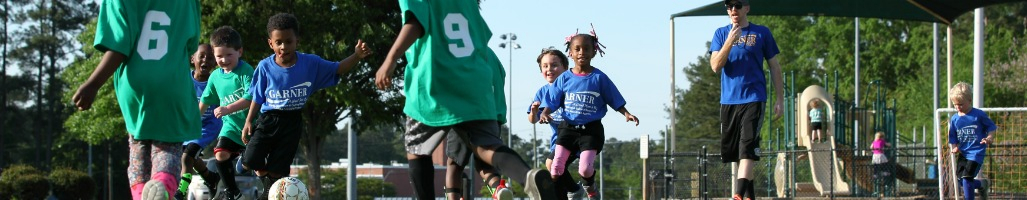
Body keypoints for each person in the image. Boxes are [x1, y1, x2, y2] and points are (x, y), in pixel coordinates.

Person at [373, 0, 556, 199]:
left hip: (435, 82)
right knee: (486, 147)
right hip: (475, 83)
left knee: (416, 149)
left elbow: (415, 23)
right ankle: (527, 176)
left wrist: (389, 60)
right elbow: (480, 38)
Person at [73, 0, 202, 198]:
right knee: (168, 146)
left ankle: (141, 193)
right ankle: (162, 185)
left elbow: (118, 45)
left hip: (134, 84)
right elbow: (191, 42)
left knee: (138, 146)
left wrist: (93, 84)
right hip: (172, 82)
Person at [240, 13, 371, 199]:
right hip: (269, 120)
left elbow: (337, 68)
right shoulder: (264, 67)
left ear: (297, 41)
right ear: (271, 43)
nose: (283, 47)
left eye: (288, 41)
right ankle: (254, 172)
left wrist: (356, 56)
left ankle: (268, 194)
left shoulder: (311, 63)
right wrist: (248, 121)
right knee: (250, 160)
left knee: (278, 173)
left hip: (292, 122)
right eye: (278, 42)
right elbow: (257, 97)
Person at [538, 25, 640, 200]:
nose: (581, 52)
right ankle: (567, 191)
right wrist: (544, 112)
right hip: (567, 129)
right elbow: (553, 100)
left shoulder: (599, 78)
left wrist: (626, 113)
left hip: (591, 131)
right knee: (555, 169)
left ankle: (590, 187)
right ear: (570, 53)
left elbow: (613, 97)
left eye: (587, 49)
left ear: (594, 52)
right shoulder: (564, 78)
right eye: (577, 49)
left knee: (584, 169)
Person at [708, 0, 785, 199]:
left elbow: (775, 67)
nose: (734, 9)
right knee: (735, 154)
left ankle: (738, 195)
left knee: (747, 148)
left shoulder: (762, 33)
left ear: (747, 8)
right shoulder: (720, 33)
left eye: (738, 5)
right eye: (729, 6)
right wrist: (730, 41)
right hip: (729, 101)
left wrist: (780, 99)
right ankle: (750, 196)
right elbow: (715, 66)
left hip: (754, 98)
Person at [199, 26, 256, 200]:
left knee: (257, 165)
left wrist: (227, 108)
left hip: (251, 125)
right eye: (219, 56)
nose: (223, 59)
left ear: (240, 51)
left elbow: (250, 99)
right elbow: (205, 100)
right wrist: (192, 122)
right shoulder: (215, 76)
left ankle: (248, 163)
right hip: (230, 126)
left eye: (229, 55)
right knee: (220, 154)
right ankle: (233, 192)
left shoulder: (246, 71)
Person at [530, 47, 584, 200]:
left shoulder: (572, 89)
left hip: (575, 138)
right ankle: (570, 192)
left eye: (554, 65)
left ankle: (575, 190)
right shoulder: (542, 92)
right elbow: (532, 119)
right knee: (556, 175)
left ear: (565, 68)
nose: (549, 69)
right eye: (545, 66)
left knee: (551, 163)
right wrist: (535, 112)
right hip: (558, 142)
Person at [175, 43, 224, 199]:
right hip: (187, 125)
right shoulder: (183, 79)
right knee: (188, 154)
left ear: (215, 62)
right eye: (201, 56)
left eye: (210, 58)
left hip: (208, 127)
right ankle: (210, 177)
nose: (205, 60)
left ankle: (181, 191)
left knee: (187, 156)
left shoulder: (216, 81)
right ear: (192, 59)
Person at [948, 82, 996, 200]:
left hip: (976, 153)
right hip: (963, 153)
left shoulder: (978, 115)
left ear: (970, 100)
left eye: (960, 104)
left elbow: (991, 127)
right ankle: (982, 184)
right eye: (955, 105)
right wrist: (954, 146)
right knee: (961, 182)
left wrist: (989, 138)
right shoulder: (954, 119)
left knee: (966, 179)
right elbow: (952, 135)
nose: (958, 107)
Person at [871, 131, 891, 196]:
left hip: (874, 155)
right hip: (880, 154)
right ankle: (884, 171)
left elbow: (871, 147)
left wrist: (873, 149)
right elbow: (888, 145)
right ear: (881, 137)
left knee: (876, 165)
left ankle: (875, 174)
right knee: (885, 163)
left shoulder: (874, 142)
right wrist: (889, 144)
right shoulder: (882, 141)